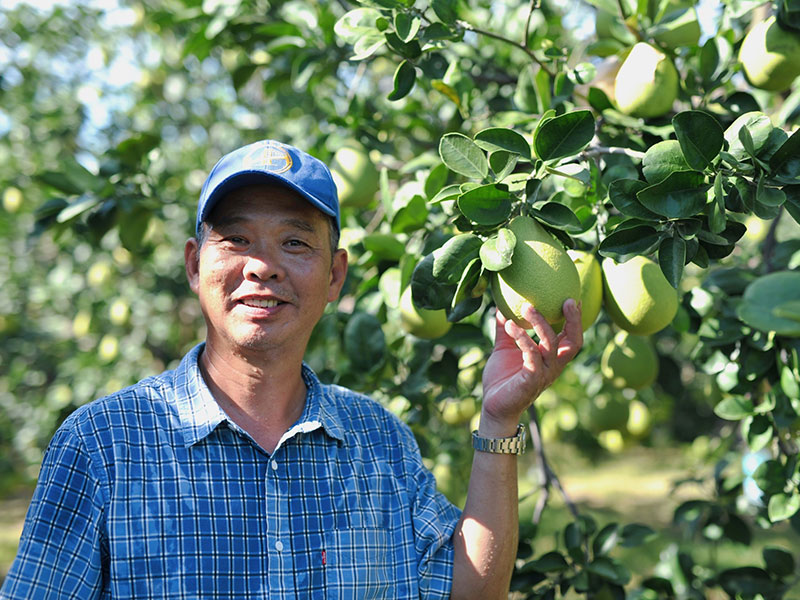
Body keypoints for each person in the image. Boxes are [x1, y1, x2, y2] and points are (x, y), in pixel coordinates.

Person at [1, 139, 582, 599]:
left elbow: (471, 593)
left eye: (295, 243)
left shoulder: (380, 442)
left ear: (335, 277)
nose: (261, 266)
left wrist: (499, 421)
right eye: (235, 239)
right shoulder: (103, 446)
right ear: (193, 263)